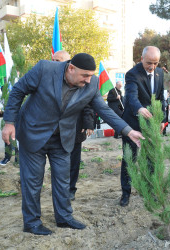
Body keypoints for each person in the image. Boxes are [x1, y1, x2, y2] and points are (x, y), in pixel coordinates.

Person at [2, 53, 144, 235]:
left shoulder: (91, 83)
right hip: (33, 132)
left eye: (91, 75)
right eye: (84, 75)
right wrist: (9, 123)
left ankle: (64, 217)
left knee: (63, 180)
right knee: (33, 181)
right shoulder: (44, 69)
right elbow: (17, 91)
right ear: (71, 68)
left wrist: (128, 130)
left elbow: (103, 109)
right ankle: (31, 222)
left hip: (62, 138)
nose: (88, 80)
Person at [120, 46, 165, 207]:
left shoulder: (160, 74)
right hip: (133, 122)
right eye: (149, 63)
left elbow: (160, 98)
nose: (152, 67)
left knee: (150, 158)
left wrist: (161, 119)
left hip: (151, 123)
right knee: (129, 159)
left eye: (155, 63)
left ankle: (150, 190)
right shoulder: (132, 74)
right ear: (141, 59)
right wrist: (139, 108)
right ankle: (126, 193)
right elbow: (131, 96)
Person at [52, 51, 95, 201]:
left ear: (68, 64)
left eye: (57, 60)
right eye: (52, 60)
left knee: (73, 161)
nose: (54, 63)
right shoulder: (52, 78)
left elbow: (88, 105)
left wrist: (88, 123)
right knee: (58, 163)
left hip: (75, 129)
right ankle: (59, 189)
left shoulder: (81, 78)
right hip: (55, 131)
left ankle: (71, 189)